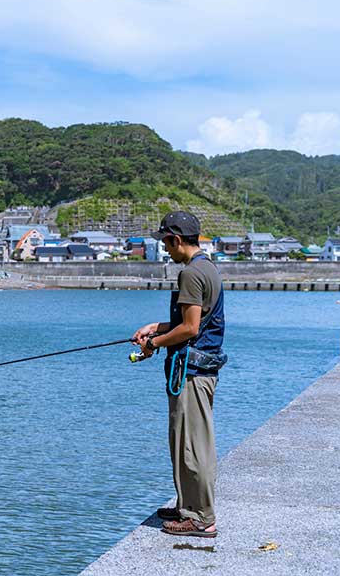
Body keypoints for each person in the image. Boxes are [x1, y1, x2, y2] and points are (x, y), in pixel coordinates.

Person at [132, 211, 226, 539]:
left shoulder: (191, 274)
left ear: (176, 239)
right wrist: (154, 328)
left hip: (193, 372)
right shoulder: (206, 268)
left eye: (166, 243)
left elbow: (190, 327)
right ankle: (188, 505)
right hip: (196, 368)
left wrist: (153, 344)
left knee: (193, 445)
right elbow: (189, 321)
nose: (166, 250)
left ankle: (201, 518)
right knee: (183, 440)